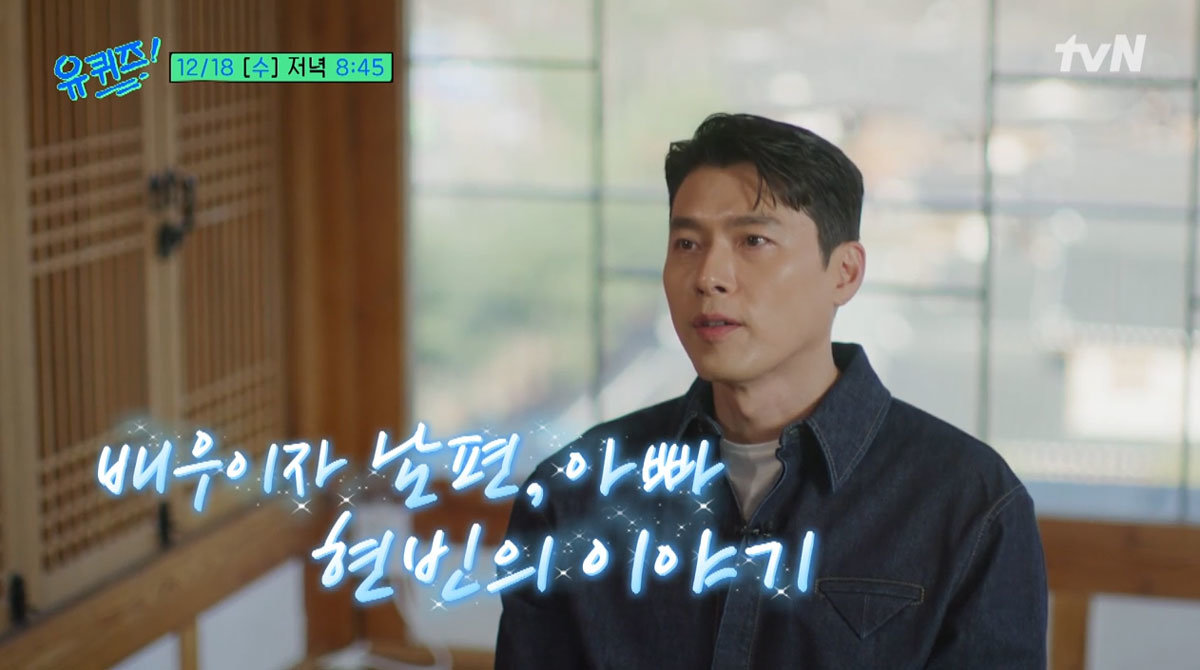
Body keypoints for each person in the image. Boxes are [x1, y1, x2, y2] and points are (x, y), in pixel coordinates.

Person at [494, 113, 1047, 669]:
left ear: (845, 273)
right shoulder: (575, 494)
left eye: (753, 241)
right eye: (687, 243)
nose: (709, 276)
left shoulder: (968, 504)